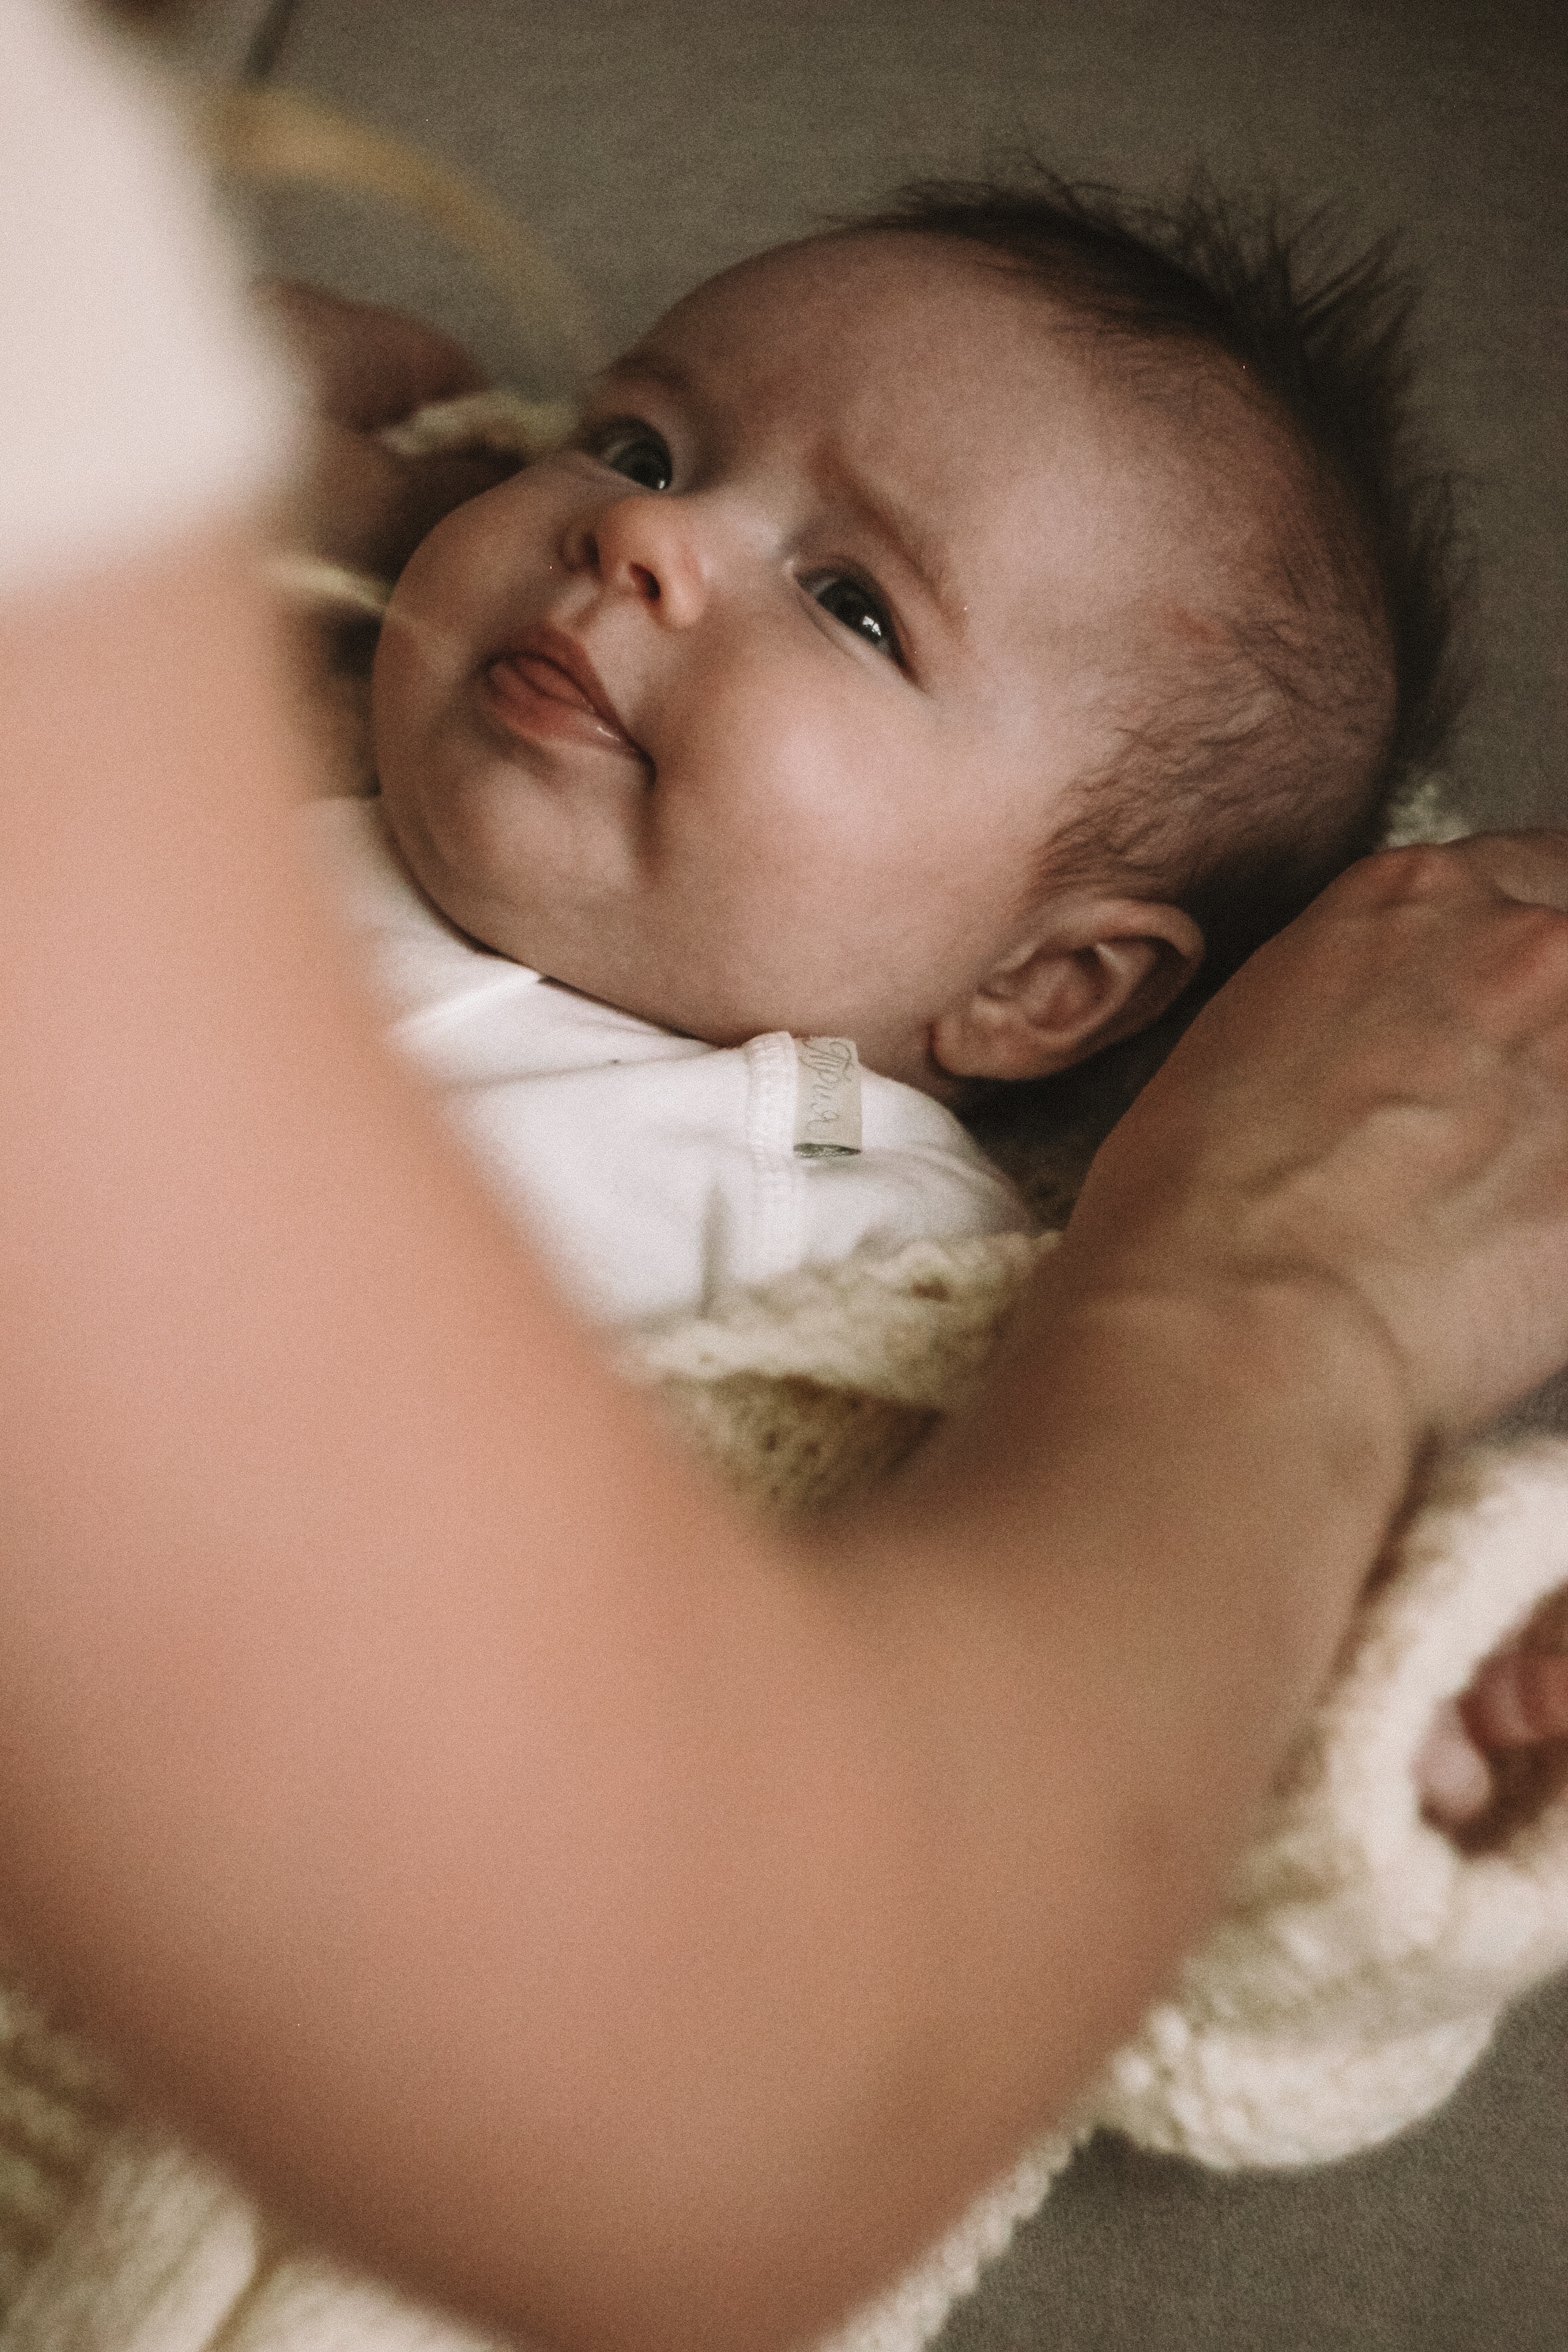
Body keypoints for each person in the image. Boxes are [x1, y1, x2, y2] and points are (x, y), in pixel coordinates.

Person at [4, 7, 1568, 2352]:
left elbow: (1128, 1877)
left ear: (1047, 994)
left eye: (854, 603)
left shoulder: (926, 1278)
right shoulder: (218, 736)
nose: (642, 534)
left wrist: (1421, 1730)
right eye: (640, 438)